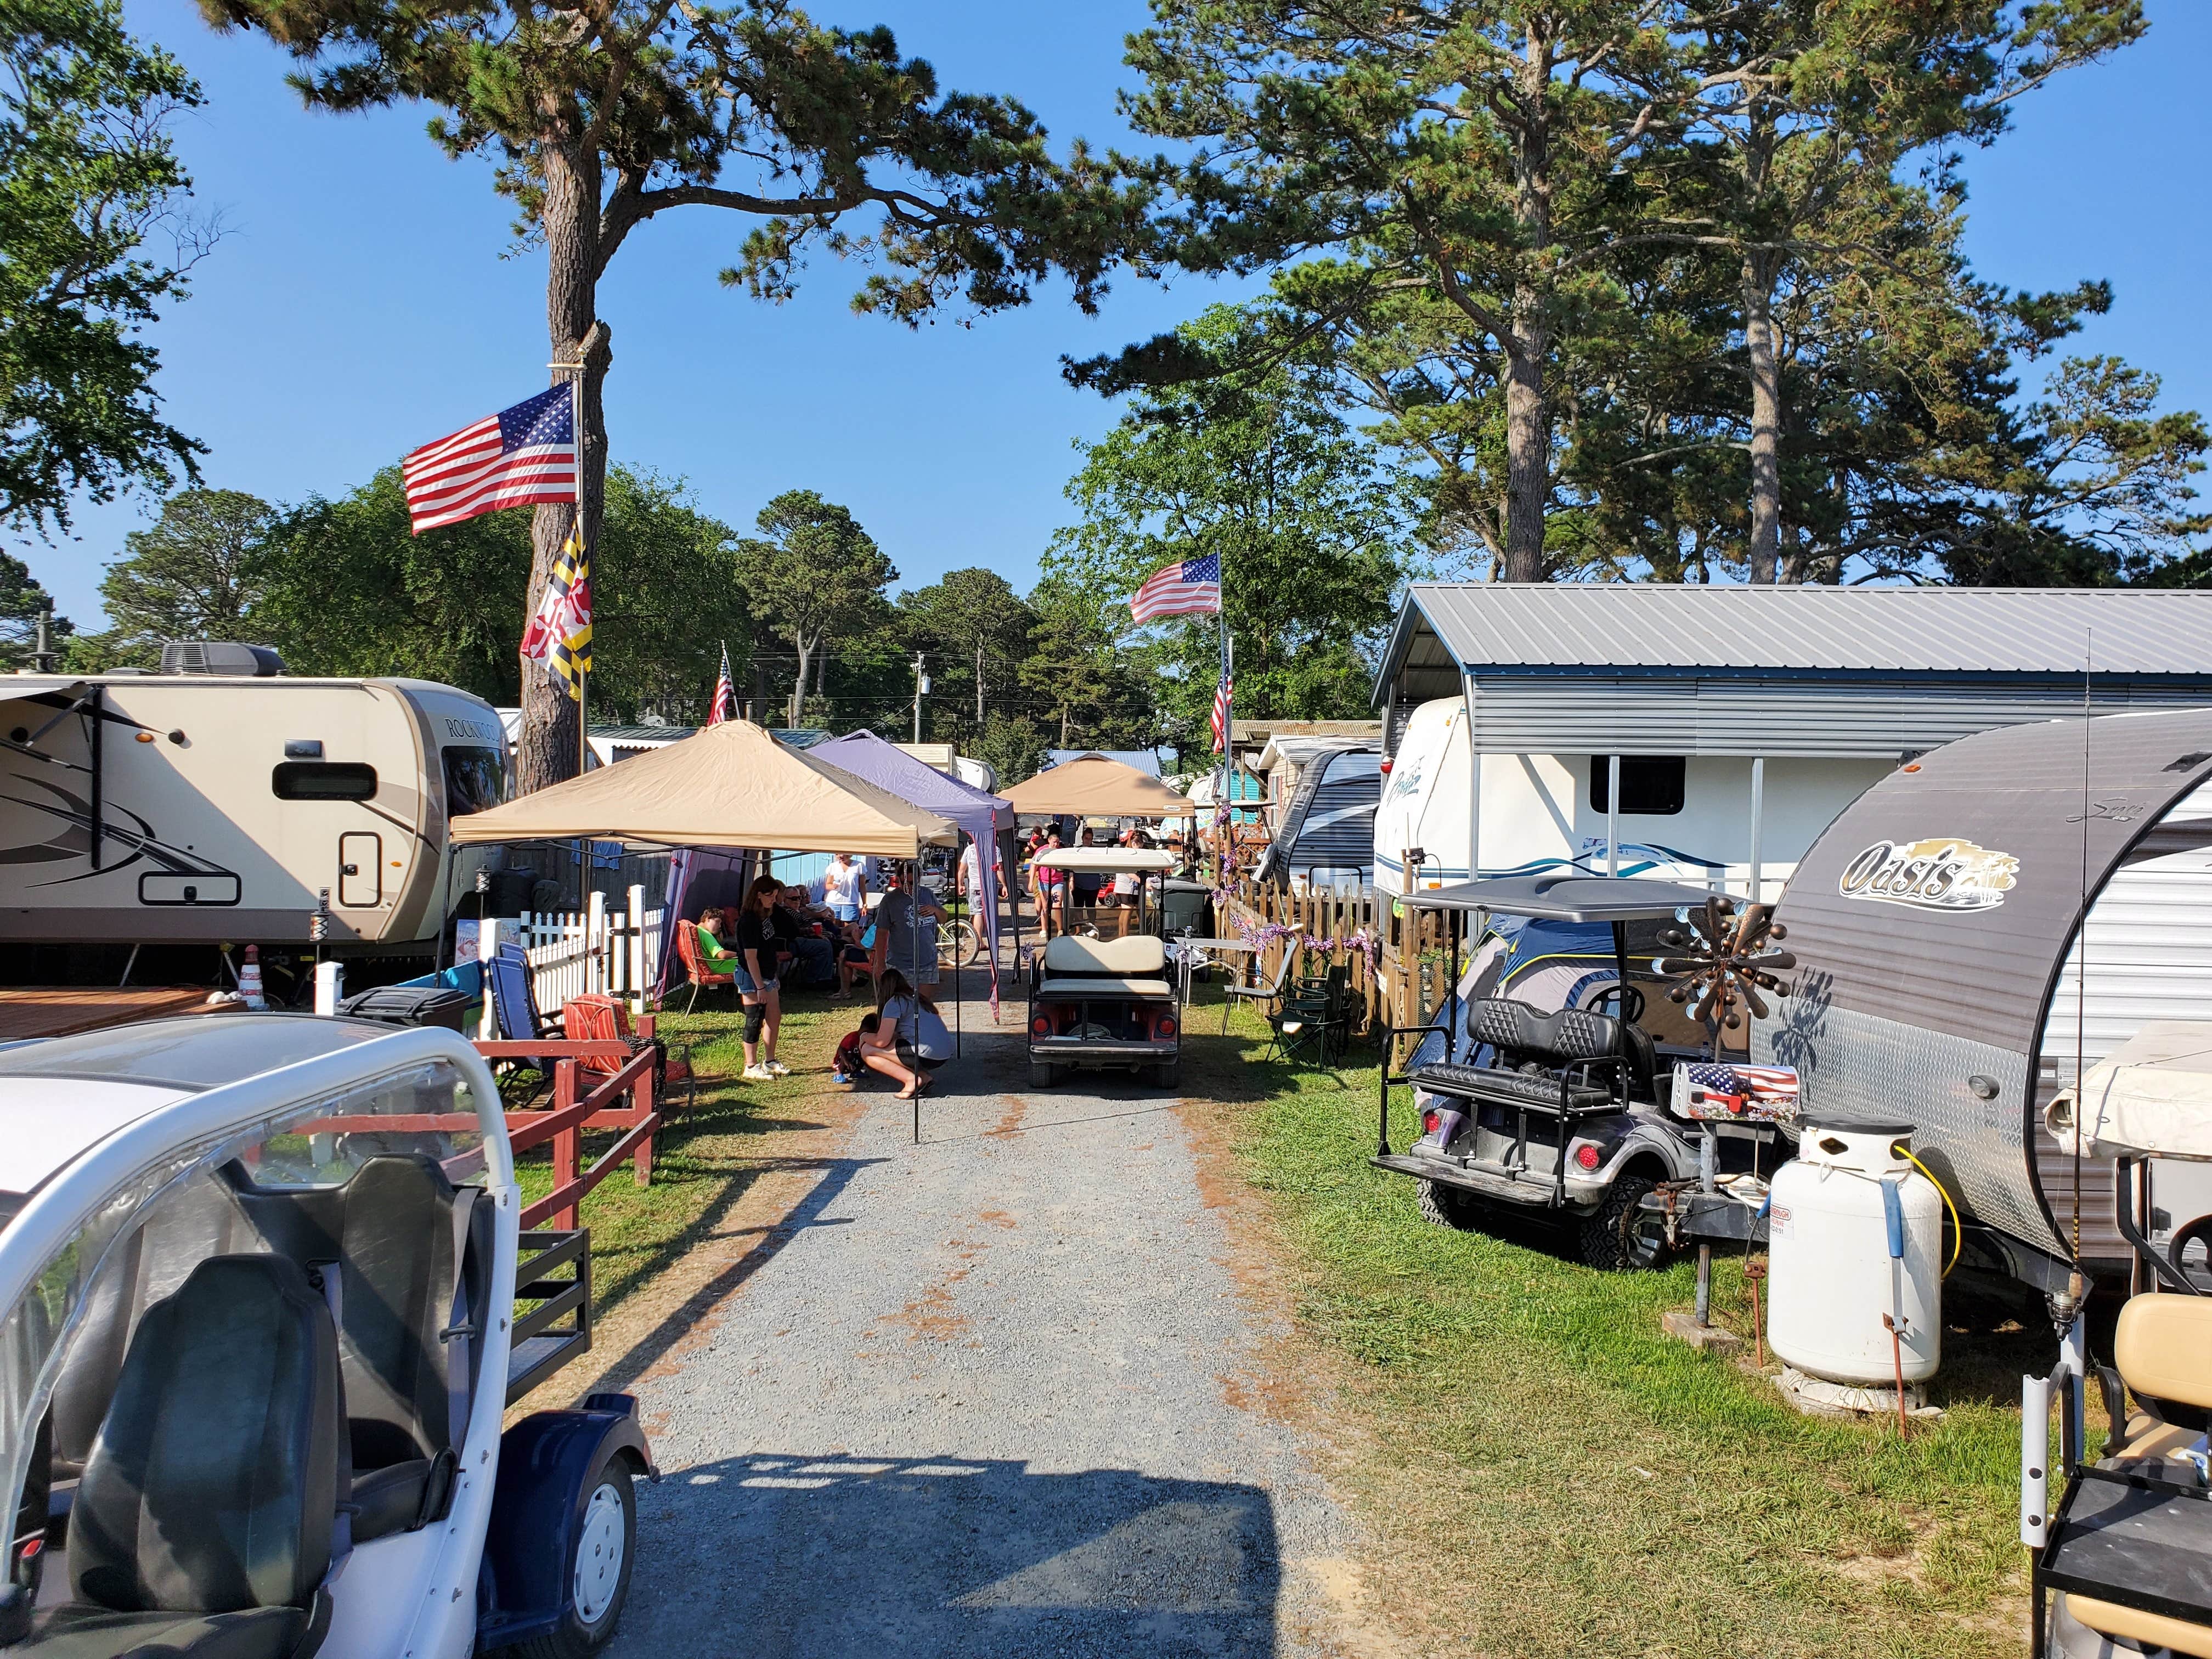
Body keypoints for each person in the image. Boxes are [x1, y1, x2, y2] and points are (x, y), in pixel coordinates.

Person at [733, 875, 787, 1081]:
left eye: (775, 895)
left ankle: (770, 1060)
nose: (774, 899)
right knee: (754, 1018)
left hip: (767, 974)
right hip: (751, 977)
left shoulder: (766, 916)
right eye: (770, 896)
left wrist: (772, 977)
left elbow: (768, 949)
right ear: (758, 895)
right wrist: (760, 987)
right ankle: (750, 1065)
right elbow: (750, 957)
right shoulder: (748, 921)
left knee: (774, 1016)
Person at [871, 862, 947, 992]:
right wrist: (880, 963)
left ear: (919, 879)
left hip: (927, 961)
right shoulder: (890, 900)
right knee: (901, 1005)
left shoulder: (927, 894)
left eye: (911, 883)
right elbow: (881, 933)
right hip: (900, 964)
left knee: (923, 1005)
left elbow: (944, 918)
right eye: (903, 882)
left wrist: (935, 910)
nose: (907, 887)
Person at [876, 968, 952, 1072]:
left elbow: (882, 1041)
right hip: (945, 1053)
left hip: (926, 1055)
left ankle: (911, 1080)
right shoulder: (920, 999)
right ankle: (923, 1078)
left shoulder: (895, 1002)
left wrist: (864, 1037)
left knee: (868, 1050)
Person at [957, 832, 1006, 963]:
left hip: (975, 886)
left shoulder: (969, 849)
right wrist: (1004, 885)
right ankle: (992, 940)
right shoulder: (995, 849)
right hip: (989, 886)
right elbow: (999, 869)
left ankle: (979, 940)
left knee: (978, 913)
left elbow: (962, 870)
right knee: (990, 913)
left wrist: (960, 884)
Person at [777, 885, 836, 988]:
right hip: (790, 942)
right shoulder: (785, 911)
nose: (797, 901)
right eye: (794, 899)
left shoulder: (791, 911)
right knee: (826, 946)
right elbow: (792, 932)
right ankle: (816, 980)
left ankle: (837, 977)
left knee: (839, 942)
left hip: (799, 938)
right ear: (783, 898)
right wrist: (809, 932)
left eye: (799, 898)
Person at [821, 851, 866, 924]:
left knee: (850, 930)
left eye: (842, 854)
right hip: (833, 902)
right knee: (834, 928)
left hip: (851, 902)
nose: (840, 856)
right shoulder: (833, 866)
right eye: (837, 854)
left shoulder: (859, 866)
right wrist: (832, 886)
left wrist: (865, 904)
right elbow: (827, 885)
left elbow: (863, 887)